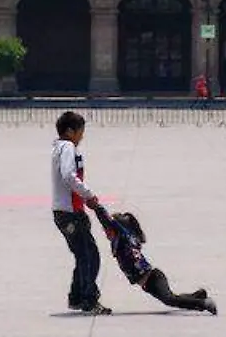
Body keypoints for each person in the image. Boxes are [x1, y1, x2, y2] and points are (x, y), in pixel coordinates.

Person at [91, 204, 217, 315]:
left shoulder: (125, 237)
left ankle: (204, 303)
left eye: (107, 230)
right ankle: (198, 296)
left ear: (118, 228)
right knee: (171, 298)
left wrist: (97, 207)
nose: (106, 233)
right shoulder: (121, 240)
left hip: (153, 278)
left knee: (170, 300)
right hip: (147, 283)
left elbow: (107, 220)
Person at [51, 111, 110, 315]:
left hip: (66, 211)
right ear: (70, 131)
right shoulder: (67, 147)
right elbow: (69, 176)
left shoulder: (59, 147)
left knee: (83, 255)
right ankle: (88, 300)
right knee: (90, 256)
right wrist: (89, 195)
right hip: (69, 213)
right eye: (80, 132)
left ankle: (76, 297)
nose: (82, 136)